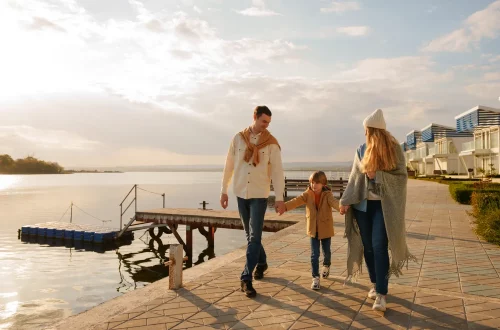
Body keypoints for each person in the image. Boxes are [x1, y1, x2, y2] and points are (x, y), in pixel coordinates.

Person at [339, 109, 415, 312]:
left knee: (379, 245)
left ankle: (381, 293)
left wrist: (378, 175)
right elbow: (354, 178)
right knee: (368, 247)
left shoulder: (394, 149)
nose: (364, 133)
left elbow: (401, 177)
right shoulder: (361, 149)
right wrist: (345, 201)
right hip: (362, 206)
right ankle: (375, 283)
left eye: (366, 130)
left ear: (374, 130)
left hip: (384, 206)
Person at [220, 105, 286, 298]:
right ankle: (262, 263)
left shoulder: (272, 143)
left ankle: (246, 278)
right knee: (251, 236)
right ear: (255, 117)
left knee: (254, 237)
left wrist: (280, 199)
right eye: (263, 121)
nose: (266, 126)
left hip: (259, 194)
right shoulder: (238, 138)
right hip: (241, 192)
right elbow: (229, 166)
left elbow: (277, 172)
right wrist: (223, 191)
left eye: (268, 123)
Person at [279, 171, 339, 290]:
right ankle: (315, 278)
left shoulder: (328, 195)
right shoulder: (307, 194)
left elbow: (334, 203)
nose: (314, 185)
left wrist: (341, 207)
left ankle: (326, 265)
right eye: (312, 182)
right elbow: (296, 201)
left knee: (326, 252)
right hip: (313, 229)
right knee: (314, 255)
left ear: (323, 183)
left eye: (317, 182)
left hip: (325, 228)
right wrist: (284, 207)